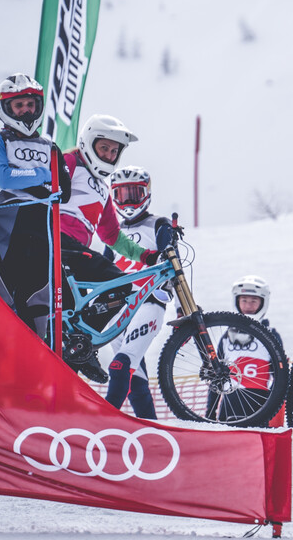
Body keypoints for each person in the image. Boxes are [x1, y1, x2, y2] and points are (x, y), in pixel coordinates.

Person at [58, 114, 158, 381]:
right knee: (119, 283)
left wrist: (146, 255)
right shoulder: (70, 162)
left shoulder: (103, 190)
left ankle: (77, 351)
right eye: (104, 148)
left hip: (74, 253)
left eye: (115, 151)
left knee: (71, 321)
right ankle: (86, 347)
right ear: (87, 142)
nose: (109, 155)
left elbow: (112, 235)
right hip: (57, 243)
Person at [0, 74, 68, 334]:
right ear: (6, 108)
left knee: (38, 300)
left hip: (43, 226)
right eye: (19, 105)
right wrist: (43, 176)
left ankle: (37, 354)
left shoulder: (50, 146)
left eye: (30, 104)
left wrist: (28, 180)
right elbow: (4, 177)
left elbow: (64, 191)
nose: (26, 111)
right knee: (1, 298)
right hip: (7, 226)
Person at [102, 166, 175, 419]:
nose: (129, 201)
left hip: (149, 301)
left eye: (135, 193)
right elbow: (102, 272)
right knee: (134, 376)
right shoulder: (114, 233)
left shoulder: (159, 224)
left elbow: (174, 265)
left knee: (121, 365)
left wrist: (181, 308)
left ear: (147, 193)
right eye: (122, 195)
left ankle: (104, 417)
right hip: (118, 309)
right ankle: (150, 427)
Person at [214, 275, 284, 424]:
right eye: (244, 300)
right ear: (237, 301)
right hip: (228, 407)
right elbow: (216, 378)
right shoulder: (226, 337)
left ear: (263, 302)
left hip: (259, 408)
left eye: (254, 301)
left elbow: (280, 379)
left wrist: (270, 410)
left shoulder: (272, 335)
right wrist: (209, 414)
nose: (248, 305)